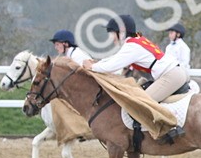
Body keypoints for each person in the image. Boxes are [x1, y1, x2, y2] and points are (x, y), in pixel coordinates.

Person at [81, 14, 190, 143]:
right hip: (172, 73)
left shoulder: (131, 47)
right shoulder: (135, 41)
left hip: (171, 75)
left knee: (141, 102)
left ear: (121, 33)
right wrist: (96, 63)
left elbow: (111, 65)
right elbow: (114, 59)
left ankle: (170, 129)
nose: (110, 38)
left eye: (111, 33)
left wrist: (93, 67)